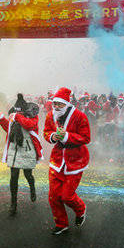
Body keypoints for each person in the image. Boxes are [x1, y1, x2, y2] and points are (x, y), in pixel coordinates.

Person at [43, 87, 91, 235]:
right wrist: (52, 137)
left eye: (60, 104)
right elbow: (46, 132)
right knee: (53, 196)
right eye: (55, 103)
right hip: (57, 161)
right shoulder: (51, 115)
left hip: (75, 161)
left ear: (67, 104)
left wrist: (66, 136)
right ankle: (61, 223)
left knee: (67, 196)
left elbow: (86, 138)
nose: (56, 107)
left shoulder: (80, 116)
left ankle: (80, 209)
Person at [0, 93, 42, 215]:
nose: (16, 114)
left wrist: (17, 117)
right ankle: (13, 204)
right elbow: (8, 128)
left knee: (28, 175)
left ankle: (32, 188)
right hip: (14, 149)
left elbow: (29, 125)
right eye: (16, 112)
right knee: (13, 176)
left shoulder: (32, 116)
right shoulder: (14, 117)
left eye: (19, 112)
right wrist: (1, 118)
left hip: (27, 149)